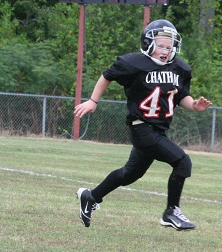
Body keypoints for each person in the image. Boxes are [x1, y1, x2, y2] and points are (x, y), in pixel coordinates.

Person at [74, 19, 212, 230]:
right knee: (183, 162)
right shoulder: (133, 63)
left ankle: (91, 196)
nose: (166, 50)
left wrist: (194, 105)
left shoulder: (180, 68)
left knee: (129, 174)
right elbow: (106, 76)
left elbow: (180, 97)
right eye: (161, 45)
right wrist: (93, 101)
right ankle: (170, 212)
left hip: (158, 129)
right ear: (149, 44)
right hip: (141, 128)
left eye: (170, 46)